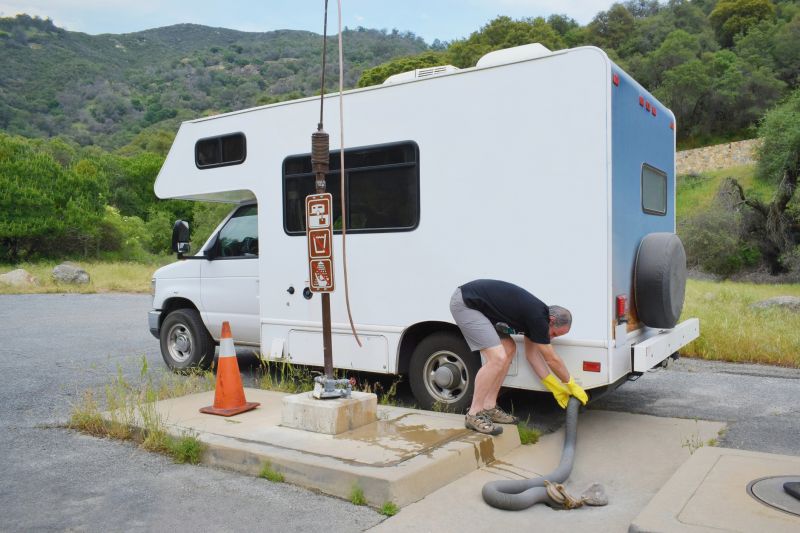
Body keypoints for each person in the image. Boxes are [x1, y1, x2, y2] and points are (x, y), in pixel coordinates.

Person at [450, 279, 589, 435]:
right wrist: (570, 384)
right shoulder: (538, 318)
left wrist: (554, 387)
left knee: (509, 349)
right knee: (497, 358)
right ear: (551, 320)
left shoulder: (536, 319)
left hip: (480, 307)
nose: (551, 338)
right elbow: (552, 359)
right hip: (466, 303)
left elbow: (532, 356)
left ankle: (489, 407)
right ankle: (474, 414)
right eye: (554, 334)